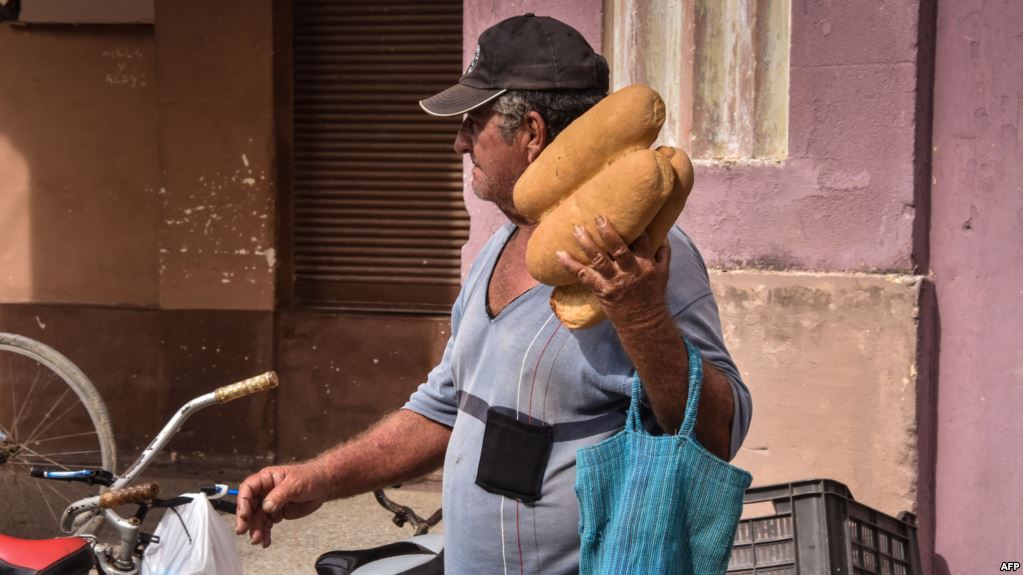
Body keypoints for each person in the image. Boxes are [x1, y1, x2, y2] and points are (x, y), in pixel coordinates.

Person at [236, 13, 751, 574]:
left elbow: (720, 433)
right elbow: (444, 409)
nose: (459, 143)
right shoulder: (498, 246)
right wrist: (319, 478)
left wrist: (643, 318)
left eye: (473, 122)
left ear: (530, 133)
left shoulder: (644, 257)